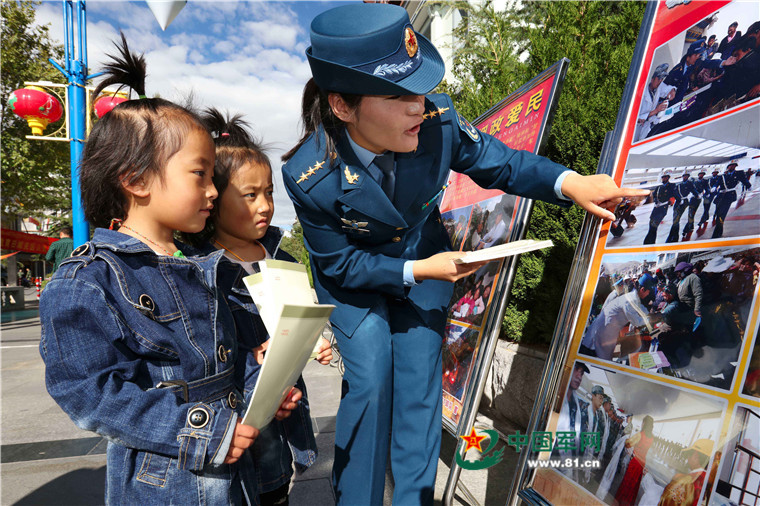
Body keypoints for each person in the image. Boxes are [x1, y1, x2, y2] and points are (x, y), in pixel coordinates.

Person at [279, 4, 649, 504]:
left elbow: (502, 163)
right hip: (353, 280)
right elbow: (341, 263)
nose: (418, 106)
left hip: (426, 258)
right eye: (398, 95)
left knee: (419, 383)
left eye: (420, 89)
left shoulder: (437, 120)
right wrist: (414, 269)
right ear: (343, 107)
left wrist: (571, 182)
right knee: (369, 379)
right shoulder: (310, 175)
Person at [38, 36, 300, 504]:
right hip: (168, 484)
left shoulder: (203, 263)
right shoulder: (88, 281)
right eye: (199, 174)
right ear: (137, 180)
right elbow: (87, 392)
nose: (214, 191)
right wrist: (200, 430)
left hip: (234, 476)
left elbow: (221, 359)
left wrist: (261, 387)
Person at [185, 109, 333, 506]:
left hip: (283, 402)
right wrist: (249, 357)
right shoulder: (200, 267)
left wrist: (312, 341)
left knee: (276, 481)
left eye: (268, 192)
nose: (265, 205)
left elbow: (296, 312)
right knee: (242, 487)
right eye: (250, 195)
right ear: (213, 199)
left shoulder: (277, 252)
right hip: (236, 414)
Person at [581, 273, 656, 361]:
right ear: (643, 289)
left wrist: (648, 313)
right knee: (598, 362)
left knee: (604, 358)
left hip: (607, 331)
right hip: (602, 333)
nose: (648, 294)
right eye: (648, 292)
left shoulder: (633, 297)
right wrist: (650, 319)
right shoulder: (630, 301)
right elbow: (637, 322)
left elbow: (640, 307)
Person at [658, 439, 714, 506]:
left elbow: (666, 501)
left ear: (696, 456)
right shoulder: (710, 482)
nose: (688, 457)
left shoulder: (684, 480)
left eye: (690, 454)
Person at [615, 415, 655, 506]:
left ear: (644, 423)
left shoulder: (640, 435)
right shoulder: (652, 438)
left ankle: (621, 501)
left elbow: (628, 444)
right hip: (642, 463)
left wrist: (626, 440)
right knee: (634, 485)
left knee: (627, 482)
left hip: (635, 461)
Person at [634, 63, 675, 142]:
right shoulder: (641, 94)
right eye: (658, 79)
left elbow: (668, 89)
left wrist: (672, 90)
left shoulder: (658, 86)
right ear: (652, 79)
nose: (660, 81)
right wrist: (656, 110)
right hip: (637, 128)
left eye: (661, 79)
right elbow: (638, 117)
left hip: (648, 126)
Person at [711, 159, 751, 238]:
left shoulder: (739, 173)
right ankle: (720, 232)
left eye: (734, 165)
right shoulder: (723, 175)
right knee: (718, 215)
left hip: (729, 196)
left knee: (721, 216)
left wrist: (749, 186)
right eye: (731, 165)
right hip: (720, 196)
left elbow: (744, 180)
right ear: (728, 166)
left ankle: (716, 236)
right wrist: (714, 187)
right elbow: (717, 183)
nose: (732, 167)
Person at [644, 171, 677, 244]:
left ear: (668, 178)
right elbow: (654, 195)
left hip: (663, 208)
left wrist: (672, 200)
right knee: (651, 225)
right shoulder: (659, 186)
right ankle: (649, 242)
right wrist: (655, 200)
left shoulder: (672, 186)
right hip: (656, 208)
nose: (663, 179)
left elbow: (674, 194)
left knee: (654, 225)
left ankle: (649, 242)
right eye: (663, 177)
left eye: (665, 177)